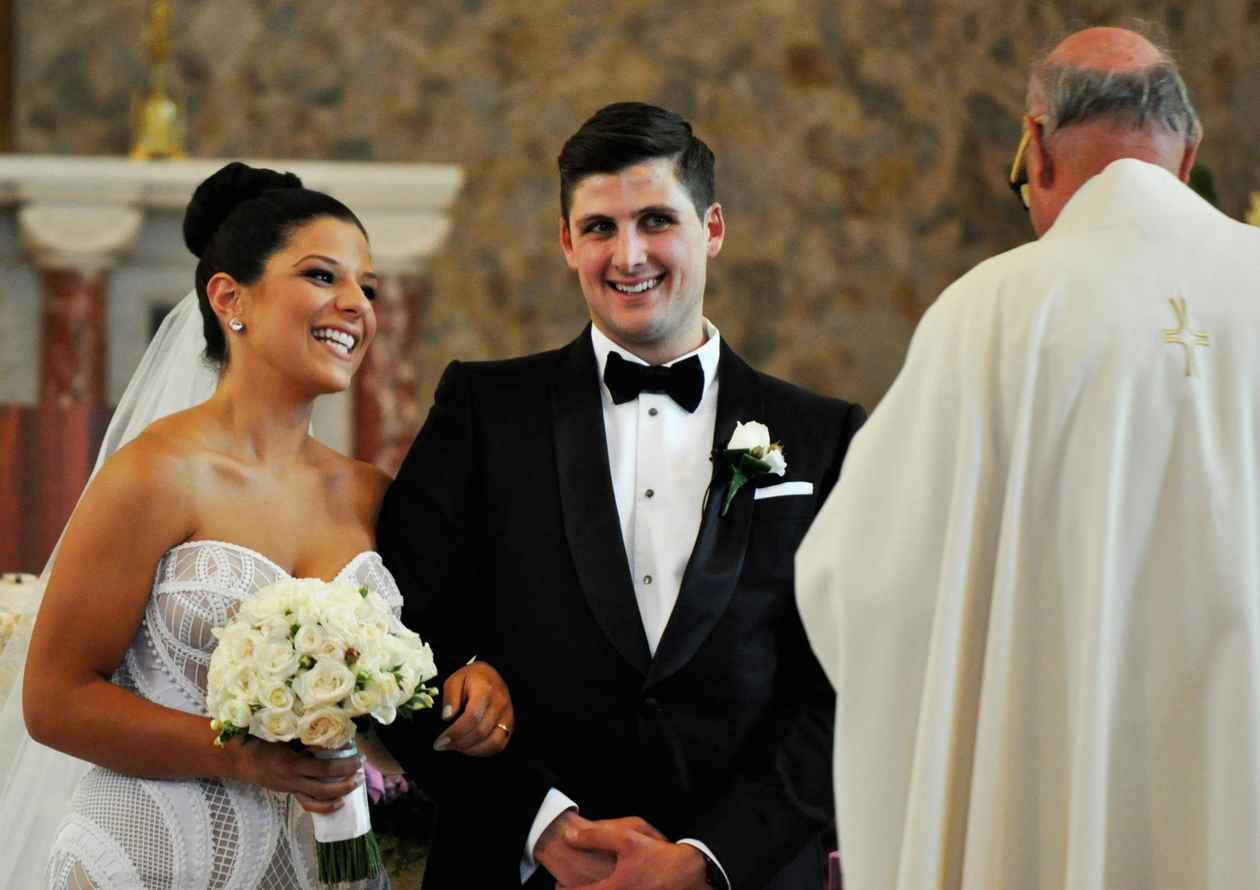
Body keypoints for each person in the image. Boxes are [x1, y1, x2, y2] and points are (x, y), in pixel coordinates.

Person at [796, 26, 1260, 890]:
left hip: (1043, 806)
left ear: (1036, 146)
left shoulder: (990, 314)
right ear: (1188, 152)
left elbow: (858, 582)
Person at [377, 102, 866, 890]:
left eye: (655, 220)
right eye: (600, 227)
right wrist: (541, 823)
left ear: (711, 228)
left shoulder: (825, 435)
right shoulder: (482, 412)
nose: (628, 253)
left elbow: (846, 684)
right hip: (523, 869)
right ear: (568, 242)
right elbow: (388, 640)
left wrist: (708, 861)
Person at [0, 162, 512, 889]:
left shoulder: (371, 494)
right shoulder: (157, 473)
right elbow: (54, 701)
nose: (355, 304)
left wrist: (474, 675)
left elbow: (430, 662)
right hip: (146, 858)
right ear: (229, 297)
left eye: (366, 286)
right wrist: (237, 754)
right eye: (321, 276)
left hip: (315, 863)